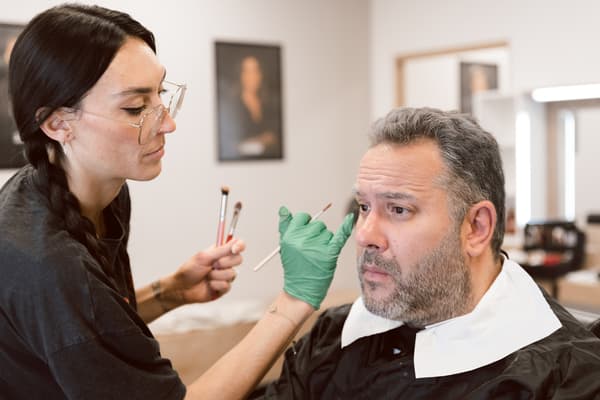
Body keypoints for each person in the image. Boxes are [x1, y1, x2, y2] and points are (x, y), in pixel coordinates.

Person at [0, 4, 353, 399]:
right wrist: (293, 302)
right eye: (135, 108)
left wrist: (170, 292)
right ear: (57, 123)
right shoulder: (50, 265)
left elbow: (84, 329)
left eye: (160, 95)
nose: (167, 123)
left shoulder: (87, 189)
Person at [251, 107, 600, 399]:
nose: (364, 235)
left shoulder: (564, 379)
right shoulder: (333, 338)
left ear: (476, 228)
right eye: (363, 206)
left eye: (398, 210)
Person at [218, 53, 282, 160]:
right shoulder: (232, 106)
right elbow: (227, 142)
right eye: (247, 72)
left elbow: (275, 136)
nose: (252, 77)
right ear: (240, 75)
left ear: (261, 74)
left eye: (255, 71)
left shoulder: (269, 104)